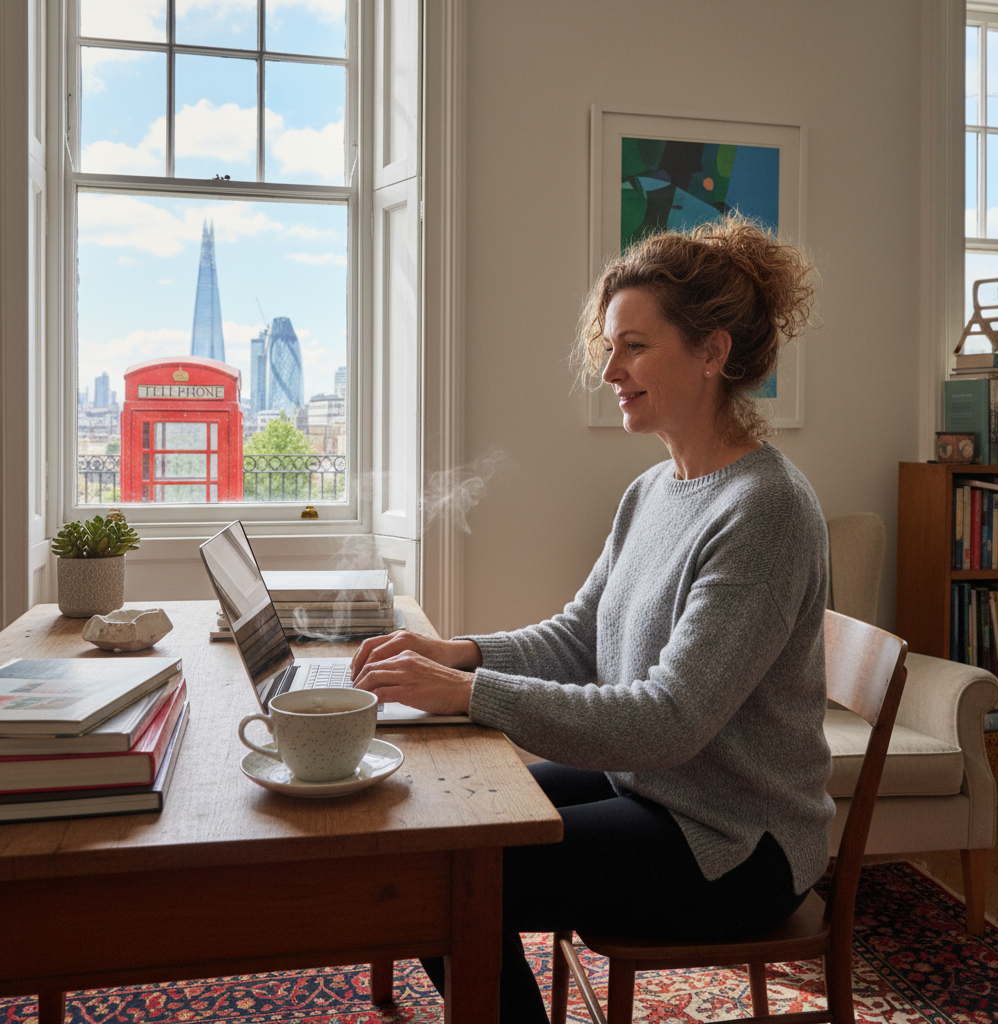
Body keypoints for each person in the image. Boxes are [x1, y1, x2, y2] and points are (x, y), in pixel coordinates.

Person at [351, 215, 834, 1023]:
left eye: (634, 346)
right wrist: (459, 653)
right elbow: (580, 638)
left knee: (443, 879)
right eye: (610, 347)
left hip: (734, 841)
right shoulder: (652, 491)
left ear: (712, 352)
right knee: (440, 826)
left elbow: (669, 721)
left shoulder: (766, 511)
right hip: (653, 789)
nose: (609, 369)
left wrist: (466, 695)